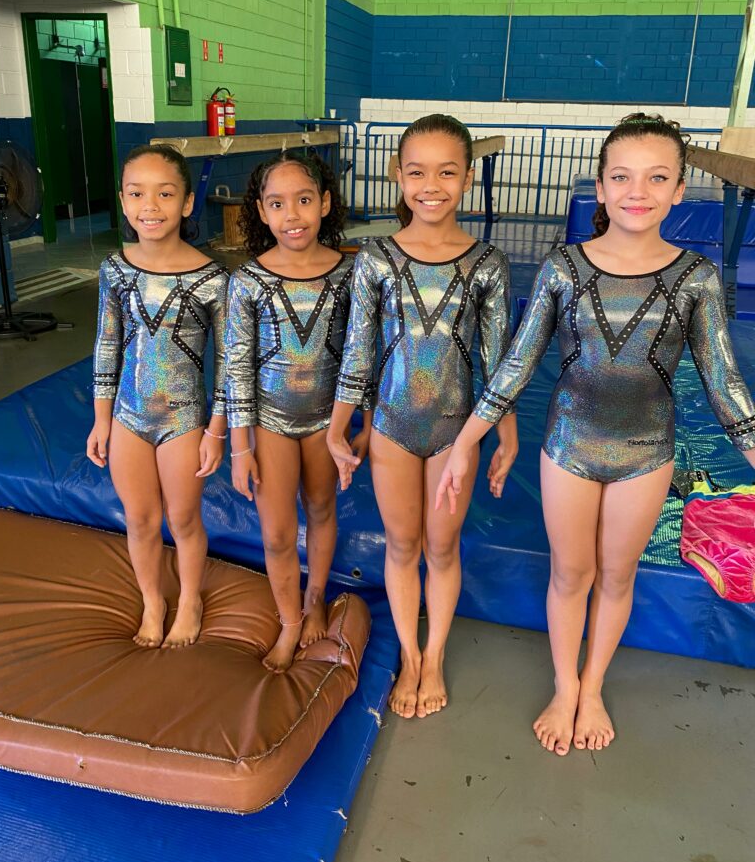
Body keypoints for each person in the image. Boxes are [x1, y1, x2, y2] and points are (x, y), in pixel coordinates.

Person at [436, 113, 755, 754]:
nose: (638, 191)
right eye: (623, 177)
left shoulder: (695, 277)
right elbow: (516, 365)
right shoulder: (564, 267)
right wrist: (466, 443)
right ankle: (564, 686)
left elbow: (725, 385)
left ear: (679, 189)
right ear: (602, 187)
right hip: (570, 447)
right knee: (570, 573)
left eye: (657, 178)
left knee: (617, 574)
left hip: (647, 451)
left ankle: (593, 686)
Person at [327, 114, 518, 720]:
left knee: (442, 544)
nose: (431, 185)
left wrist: (506, 437)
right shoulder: (376, 258)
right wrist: (337, 427)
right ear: (397, 175)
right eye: (417, 172)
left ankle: (434, 656)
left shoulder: (486, 262)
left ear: (467, 177)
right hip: (391, 426)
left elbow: (500, 361)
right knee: (403, 543)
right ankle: (409, 654)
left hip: (456, 431)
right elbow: (358, 350)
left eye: (446, 172)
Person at [226, 149, 372, 673]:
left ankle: (314, 600)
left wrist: (365, 423)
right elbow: (236, 367)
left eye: (304, 200)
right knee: (277, 532)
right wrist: (239, 447)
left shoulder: (351, 274)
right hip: (270, 421)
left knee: (322, 509)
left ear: (325, 203)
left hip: (327, 421)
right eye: (278, 204)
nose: (292, 215)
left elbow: (363, 354)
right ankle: (289, 622)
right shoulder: (248, 281)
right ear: (261, 212)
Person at [87, 144, 229, 649]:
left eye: (165, 194)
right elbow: (107, 345)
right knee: (141, 519)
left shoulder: (212, 279)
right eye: (137, 194)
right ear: (123, 201)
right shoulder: (115, 270)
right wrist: (102, 418)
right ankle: (152, 599)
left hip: (183, 419)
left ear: (187, 203)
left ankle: (189, 598)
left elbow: (229, 364)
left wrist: (216, 430)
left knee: (183, 518)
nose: (150, 206)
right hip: (128, 416)